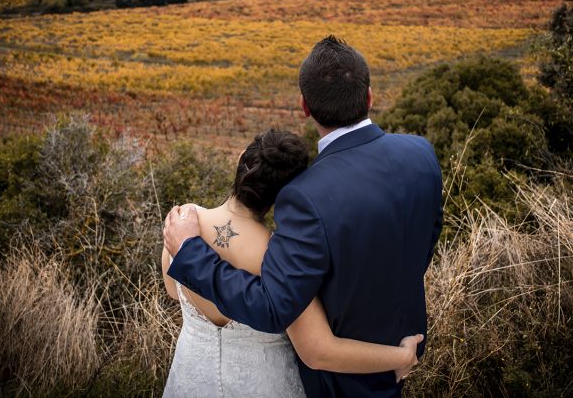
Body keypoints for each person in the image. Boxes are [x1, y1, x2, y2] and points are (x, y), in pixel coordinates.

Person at [164, 35, 443, 397]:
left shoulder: (305, 196)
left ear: (305, 107)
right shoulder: (420, 154)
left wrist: (189, 252)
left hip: (337, 381)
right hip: (401, 347)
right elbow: (426, 236)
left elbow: (271, 306)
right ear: (369, 96)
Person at [161, 128, 423, 397]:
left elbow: (173, 289)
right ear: (287, 190)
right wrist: (401, 357)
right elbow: (319, 351)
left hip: (190, 378)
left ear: (241, 159)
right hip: (263, 385)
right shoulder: (279, 255)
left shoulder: (182, 222)